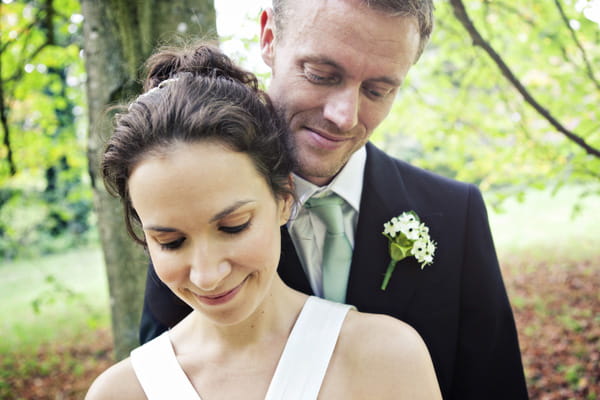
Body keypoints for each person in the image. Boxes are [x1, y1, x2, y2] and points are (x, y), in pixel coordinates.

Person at [140, 1, 529, 399]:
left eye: (378, 90)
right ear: (269, 38)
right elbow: (163, 377)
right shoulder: (188, 208)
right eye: (321, 75)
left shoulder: (455, 214)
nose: (344, 116)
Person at [85, 44, 442, 399]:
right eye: (171, 242)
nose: (207, 276)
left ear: (285, 197)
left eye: (233, 226)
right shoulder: (120, 392)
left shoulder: (387, 360)